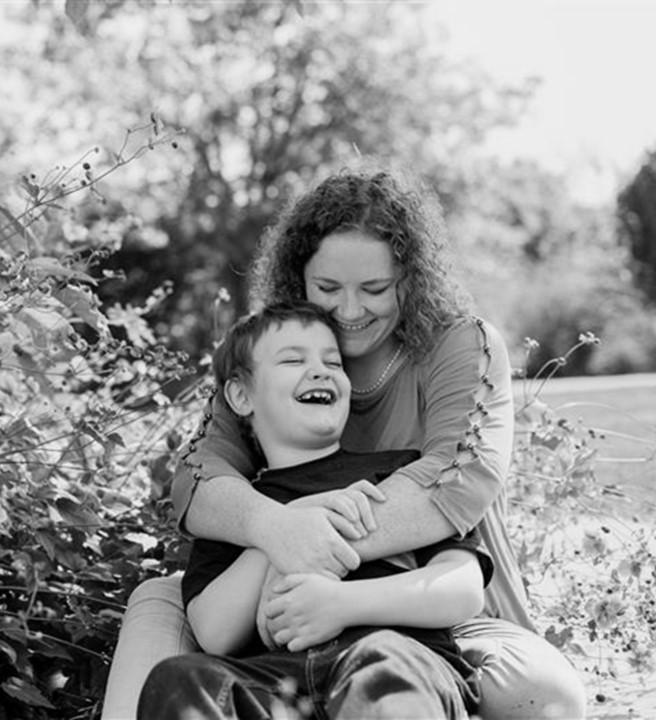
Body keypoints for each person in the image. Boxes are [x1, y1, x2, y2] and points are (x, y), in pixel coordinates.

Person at [102, 164, 586, 720]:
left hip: (423, 604)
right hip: (273, 616)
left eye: (374, 289)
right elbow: (196, 480)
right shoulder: (274, 352)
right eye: (328, 289)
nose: (350, 311)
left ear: (410, 278)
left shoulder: (457, 343)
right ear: (298, 279)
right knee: (161, 611)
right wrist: (275, 530)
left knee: (542, 694)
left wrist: (308, 553)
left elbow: (457, 481)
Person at [138, 300, 490, 719]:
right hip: (277, 682)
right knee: (180, 678)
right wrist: (280, 533)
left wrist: (342, 603)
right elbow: (215, 633)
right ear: (241, 395)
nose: (321, 371)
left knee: (383, 662)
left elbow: (463, 588)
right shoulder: (239, 509)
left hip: (394, 659)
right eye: (293, 360)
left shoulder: (397, 474)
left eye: (333, 362)